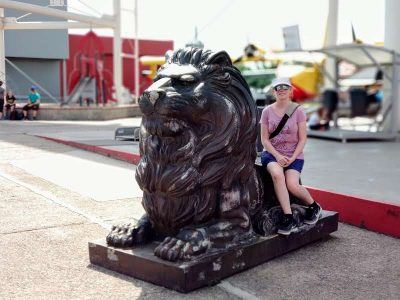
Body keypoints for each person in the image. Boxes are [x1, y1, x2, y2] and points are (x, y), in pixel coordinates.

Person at [260, 77, 322, 235]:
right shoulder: (267, 111)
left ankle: (314, 206)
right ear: (274, 92)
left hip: (294, 156)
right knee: (277, 174)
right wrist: (277, 155)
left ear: (290, 91)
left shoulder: (298, 111)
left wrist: (293, 158)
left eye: (285, 87)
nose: (281, 90)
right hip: (272, 154)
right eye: (278, 88)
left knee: (293, 185)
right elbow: (264, 140)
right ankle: (288, 216)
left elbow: (303, 138)